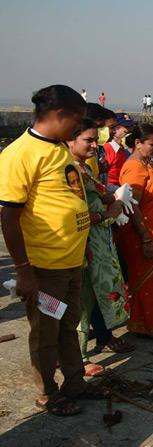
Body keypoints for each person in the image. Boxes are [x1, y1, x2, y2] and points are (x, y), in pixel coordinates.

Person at [0, 85, 95, 416]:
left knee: (69, 327)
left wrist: (82, 247)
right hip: (45, 268)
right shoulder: (19, 155)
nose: (79, 127)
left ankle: (74, 382)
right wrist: (25, 271)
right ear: (58, 116)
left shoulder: (59, 150)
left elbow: (68, 199)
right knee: (45, 334)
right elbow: (9, 217)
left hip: (71, 263)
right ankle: (47, 393)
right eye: (77, 120)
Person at [66, 119, 133, 376]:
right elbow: (76, 215)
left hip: (98, 243)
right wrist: (110, 212)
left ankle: (79, 353)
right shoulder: (70, 170)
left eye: (96, 139)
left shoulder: (83, 168)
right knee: (81, 303)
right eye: (88, 140)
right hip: (84, 245)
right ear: (70, 141)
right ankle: (79, 357)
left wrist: (110, 200)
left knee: (91, 300)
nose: (95, 145)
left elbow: (98, 196)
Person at [117, 124, 153, 338]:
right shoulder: (134, 168)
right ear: (137, 143)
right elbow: (132, 206)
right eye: (152, 144)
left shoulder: (147, 164)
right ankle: (149, 325)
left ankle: (152, 324)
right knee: (150, 283)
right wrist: (145, 237)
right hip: (145, 236)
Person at [104, 113, 135, 190]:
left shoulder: (121, 148)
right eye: (126, 127)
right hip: (112, 188)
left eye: (130, 126)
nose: (129, 130)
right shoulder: (107, 148)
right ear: (114, 128)